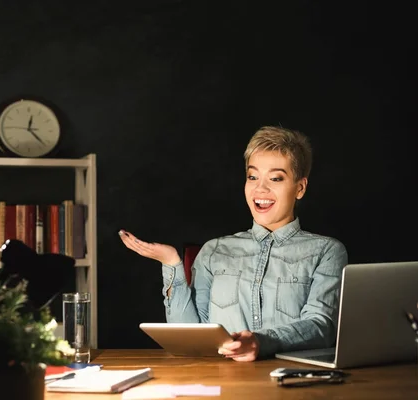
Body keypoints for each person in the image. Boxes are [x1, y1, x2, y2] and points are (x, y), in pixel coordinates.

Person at [119, 126, 347, 361]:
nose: (261, 188)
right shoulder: (213, 251)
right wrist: (171, 264)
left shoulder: (327, 251)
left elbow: (322, 326)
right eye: (253, 176)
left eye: (276, 178)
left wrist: (261, 341)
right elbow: (191, 339)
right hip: (222, 383)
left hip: (291, 382)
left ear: (300, 188)